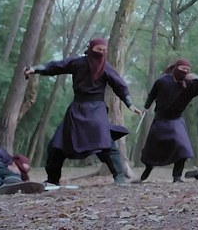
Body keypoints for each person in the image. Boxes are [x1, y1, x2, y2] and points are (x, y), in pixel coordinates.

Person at [25, 37, 143, 187]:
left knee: (106, 144)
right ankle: (52, 180)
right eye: (98, 50)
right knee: (57, 145)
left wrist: (130, 104)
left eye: (104, 50)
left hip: (96, 111)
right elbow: (56, 66)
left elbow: (120, 86)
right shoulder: (78, 63)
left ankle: (119, 178)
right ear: (90, 49)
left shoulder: (106, 68)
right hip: (77, 109)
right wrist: (35, 69)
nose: (101, 53)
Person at [138, 59, 198, 183]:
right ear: (176, 68)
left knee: (183, 148)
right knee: (151, 151)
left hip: (176, 120)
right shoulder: (163, 81)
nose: (185, 72)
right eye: (182, 69)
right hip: (160, 119)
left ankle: (177, 176)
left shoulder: (189, 85)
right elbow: (152, 95)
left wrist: (196, 77)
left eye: (187, 70)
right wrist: (146, 107)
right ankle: (148, 168)